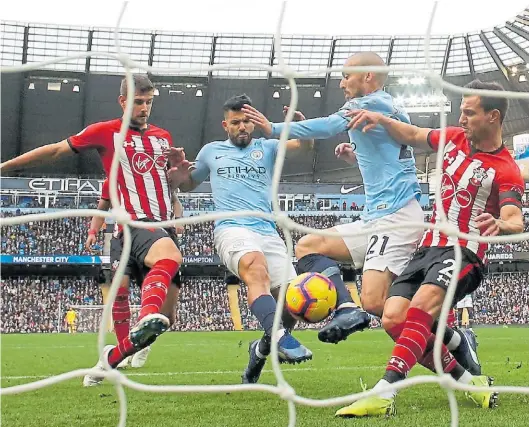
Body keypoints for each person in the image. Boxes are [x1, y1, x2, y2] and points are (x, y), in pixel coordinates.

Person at [242, 52, 477, 370]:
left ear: (368, 76)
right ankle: (346, 308)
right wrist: (356, 156)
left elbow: (328, 126)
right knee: (309, 246)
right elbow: (393, 157)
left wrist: (273, 128)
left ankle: (457, 349)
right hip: (378, 215)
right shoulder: (390, 106)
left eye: (345, 75)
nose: (341, 83)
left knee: (379, 304)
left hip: (394, 217)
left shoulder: (372, 103)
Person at [335, 79, 524, 417]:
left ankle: (385, 391)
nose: (461, 118)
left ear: (493, 116)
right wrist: (380, 120)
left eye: (469, 112)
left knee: (421, 306)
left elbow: (514, 218)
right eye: (461, 111)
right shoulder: (452, 138)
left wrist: (502, 224)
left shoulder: (506, 169)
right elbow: (412, 134)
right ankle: (467, 378)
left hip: (464, 253)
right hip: (427, 248)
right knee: (394, 320)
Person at [0, 74, 184, 385]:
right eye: (138, 102)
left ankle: (112, 358)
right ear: (123, 102)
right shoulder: (105, 132)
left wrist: (178, 173)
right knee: (140, 279)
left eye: (148, 102)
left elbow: (170, 184)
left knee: (168, 318)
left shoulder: (163, 138)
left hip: (162, 223)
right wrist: (5, 167)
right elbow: (58, 150)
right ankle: (143, 322)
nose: (144, 108)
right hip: (130, 225)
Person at [168, 94, 314, 384]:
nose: (242, 127)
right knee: (255, 269)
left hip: (267, 231)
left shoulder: (269, 147)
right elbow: (187, 185)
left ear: (255, 122)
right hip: (232, 229)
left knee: (293, 305)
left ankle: (260, 349)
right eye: (236, 122)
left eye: (247, 121)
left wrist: (301, 127)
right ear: (226, 125)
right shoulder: (211, 152)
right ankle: (281, 338)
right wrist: (180, 175)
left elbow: (302, 147)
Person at [85, 178, 183, 370]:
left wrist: (178, 220)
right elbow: (101, 208)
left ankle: (144, 341)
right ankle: (123, 350)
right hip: (122, 240)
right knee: (119, 293)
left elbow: (175, 201)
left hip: (156, 234)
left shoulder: (152, 173)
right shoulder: (112, 180)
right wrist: (92, 231)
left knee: (168, 315)